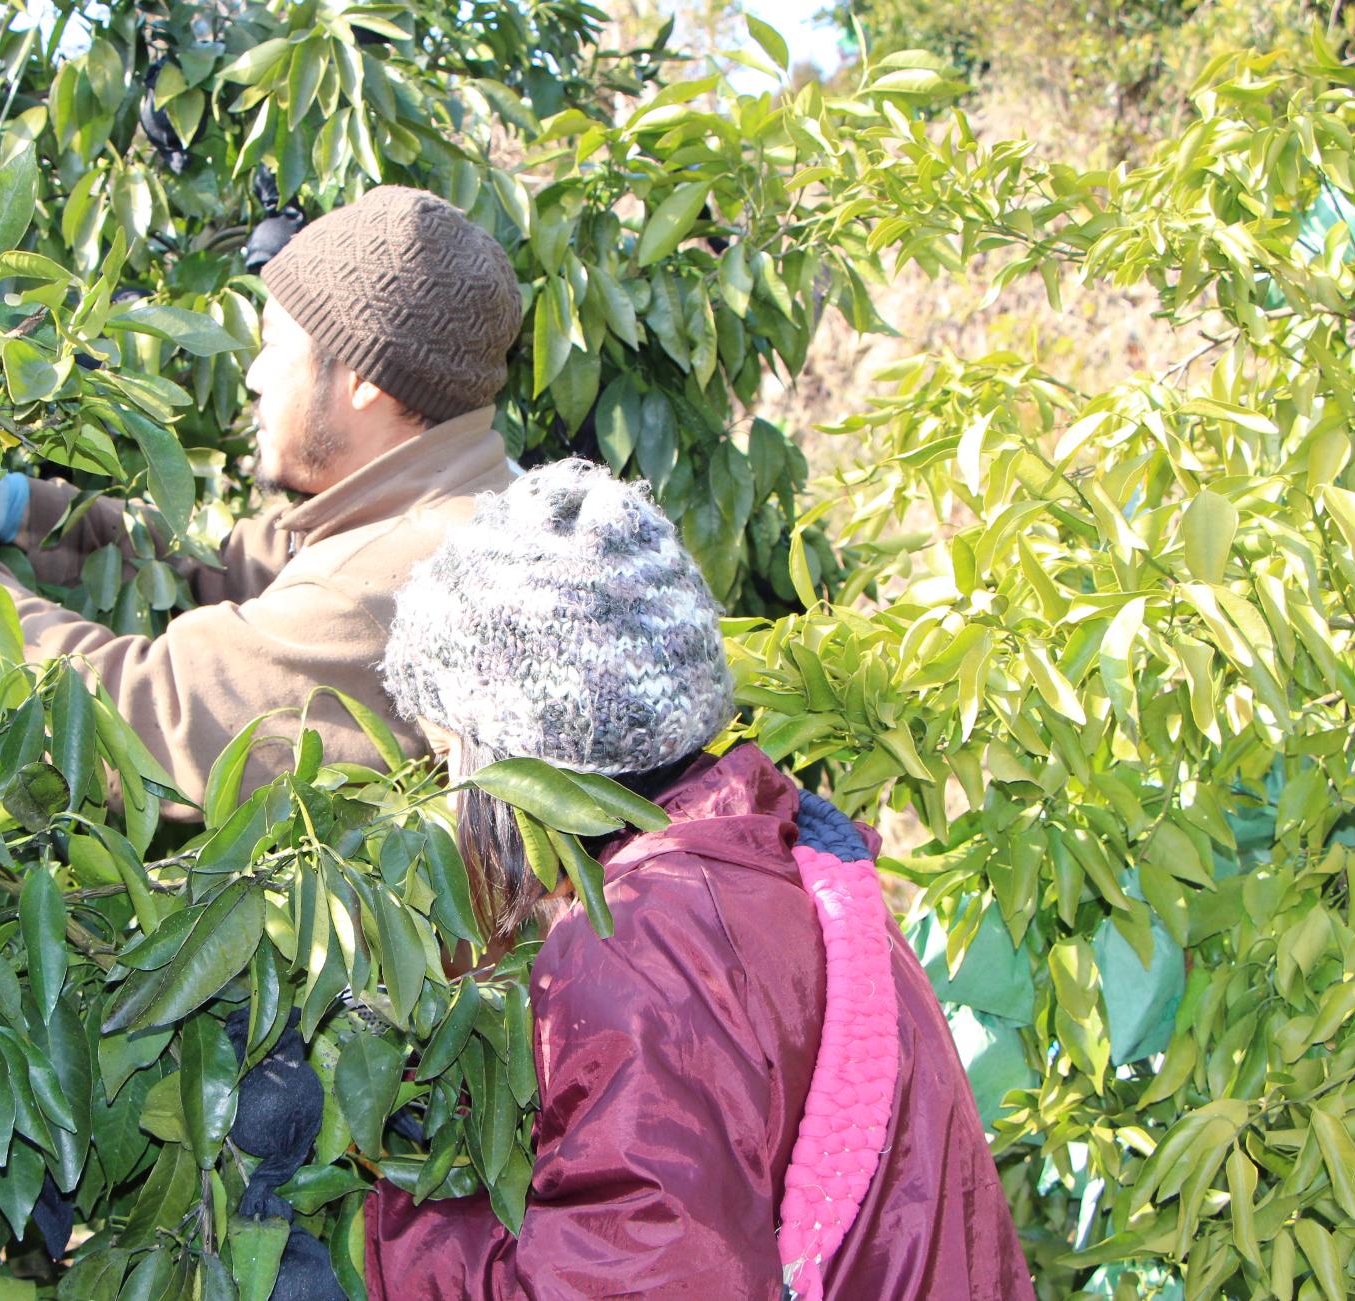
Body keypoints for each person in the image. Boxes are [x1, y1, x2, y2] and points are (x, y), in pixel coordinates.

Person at [369, 460, 1035, 1300]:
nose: (442, 800)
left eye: (446, 756)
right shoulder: (760, 850)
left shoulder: (642, 946)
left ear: (523, 766)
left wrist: (369, 1238)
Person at [0, 186, 522, 807]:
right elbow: (220, 565)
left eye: (272, 347)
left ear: (362, 382)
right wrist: (22, 510)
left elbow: (139, 716)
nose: (255, 377)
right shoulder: (462, 497)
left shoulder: (391, 585)